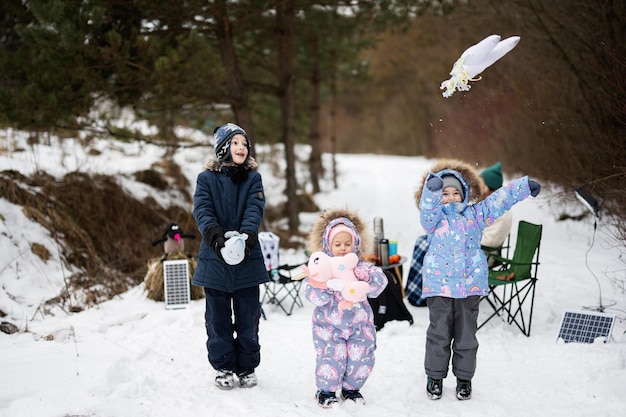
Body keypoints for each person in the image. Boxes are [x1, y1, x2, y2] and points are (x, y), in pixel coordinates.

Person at [415, 158, 540, 401]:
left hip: (469, 286)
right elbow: (426, 210)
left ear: (464, 194)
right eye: (445, 193)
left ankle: (464, 379)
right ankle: (435, 377)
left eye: (455, 193)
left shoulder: (476, 214)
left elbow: (499, 200)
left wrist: (523, 187)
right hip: (439, 287)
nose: (450, 197)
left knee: (466, 336)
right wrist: (431, 191)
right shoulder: (434, 219)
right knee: (438, 334)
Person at [191, 122, 268, 390]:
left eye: (245, 144)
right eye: (235, 143)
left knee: (249, 318)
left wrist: (246, 238)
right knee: (217, 319)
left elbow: (255, 208)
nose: (241, 148)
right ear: (223, 148)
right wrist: (217, 238)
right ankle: (223, 366)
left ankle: (246, 367)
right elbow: (202, 210)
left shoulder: (253, 178)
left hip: (247, 259)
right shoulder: (205, 179)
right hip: (215, 260)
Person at [303, 208, 388, 408]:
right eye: (338, 244)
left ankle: (351, 389)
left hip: (360, 324)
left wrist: (365, 276)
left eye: (347, 244)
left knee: (361, 357)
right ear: (328, 245)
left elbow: (379, 282)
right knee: (331, 356)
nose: (343, 248)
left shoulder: (361, 266)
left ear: (355, 244)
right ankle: (326, 390)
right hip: (329, 326)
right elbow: (310, 290)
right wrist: (326, 288)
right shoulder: (323, 267)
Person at [405, 161, 513, 306]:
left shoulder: (491, 211)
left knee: (426, 246)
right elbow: (430, 216)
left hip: (482, 256)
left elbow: (489, 240)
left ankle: (419, 294)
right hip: (461, 253)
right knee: (424, 242)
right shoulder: (478, 206)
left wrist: (464, 236)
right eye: (446, 193)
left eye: (456, 193)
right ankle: (416, 292)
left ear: (487, 187)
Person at [479, 162, 513, 266]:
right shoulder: (492, 204)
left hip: (483, 258)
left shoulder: (500, 211)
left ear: (488, 187)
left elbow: (488, 242)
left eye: (480, 184)